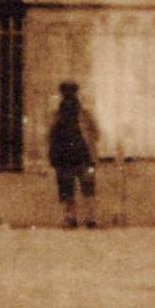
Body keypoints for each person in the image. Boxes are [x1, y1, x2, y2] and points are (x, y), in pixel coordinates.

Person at [46, 81, 102, 229]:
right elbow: (96, 133)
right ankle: (89, 218)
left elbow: (49, 135)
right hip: (82, 156)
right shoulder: (84, 113)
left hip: (67, 157)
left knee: (67, 189)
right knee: (86, 188)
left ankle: (72, 218)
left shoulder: (58, 115)